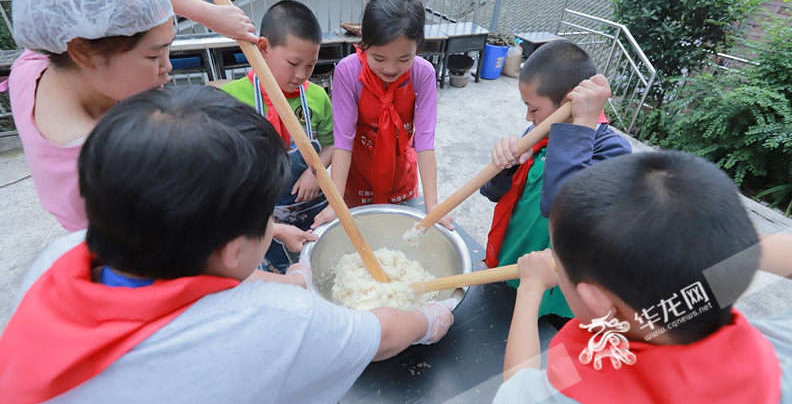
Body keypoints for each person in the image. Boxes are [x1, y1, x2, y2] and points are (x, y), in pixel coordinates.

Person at [0, 86, 456, 403]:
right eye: (267, 220)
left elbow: (189, 288)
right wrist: (429, 318)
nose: (271, 226)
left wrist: (293, 276)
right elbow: (384, 333)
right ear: (233, 248)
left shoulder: (61, 256)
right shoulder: (271, 325)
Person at [495, 151, 792, 403]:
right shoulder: (786, 355)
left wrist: (531, 288)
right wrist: (725, 248)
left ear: (598, 302)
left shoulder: (568, 395)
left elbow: (515, 386)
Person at [9, 0, 256, 233]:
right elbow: (191, 255)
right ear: (83, 53)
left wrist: (207, 14)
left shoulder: (38, 61)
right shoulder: (115, 168)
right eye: (154, 56)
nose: (168, 67)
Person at [479, 40, 631, 321]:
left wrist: (580, 123)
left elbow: (562, 209)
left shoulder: (613, 152)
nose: (528, 117)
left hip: (555, 294)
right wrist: (504, 166)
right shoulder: (537, 135)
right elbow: (492, 192)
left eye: (534, 109)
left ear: (568, 103)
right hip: (509, 265)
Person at [311, 0, 454, 230]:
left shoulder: (423, 74)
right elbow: (343, 142)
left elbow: (425, 143)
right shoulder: (348, 72)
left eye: (403, 59)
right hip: (357, 175)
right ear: (364, 43)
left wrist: (432, 206)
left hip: (400, 175)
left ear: (418, 48)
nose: (390, 69)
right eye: (378, 58)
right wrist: (335, 203)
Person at [221, 0, 332, 273]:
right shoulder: (232, 99)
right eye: (293, 63)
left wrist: (315, 171)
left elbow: (332, 145)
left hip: (314, 213)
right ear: (263, 48)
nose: (301, 75)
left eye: (310, 65)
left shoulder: (316, 96)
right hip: (262, 223)